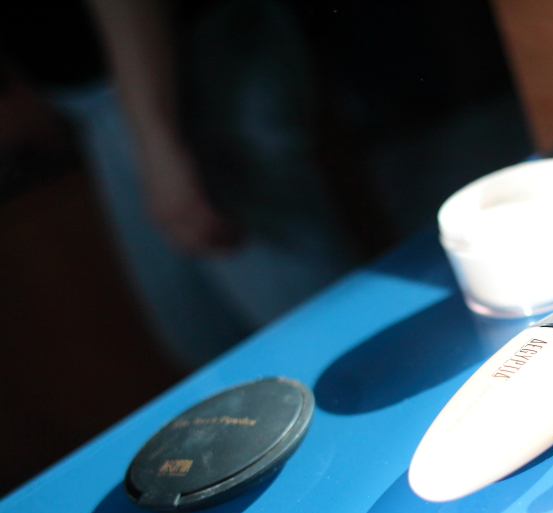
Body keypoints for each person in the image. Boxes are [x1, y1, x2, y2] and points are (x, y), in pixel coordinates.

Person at [2, 0, 356, 367]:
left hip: (180, 72)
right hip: (103, 105)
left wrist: (159, 144)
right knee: (203, 337)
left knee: (305, 321)